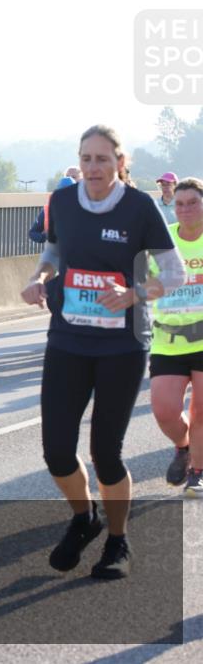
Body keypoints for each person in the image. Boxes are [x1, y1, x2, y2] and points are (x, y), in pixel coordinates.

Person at [21, 125, 185, 579]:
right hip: (68, 338)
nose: (93, 168)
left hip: (122, 344)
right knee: (56, 450)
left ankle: (117, 541)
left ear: (120, 162)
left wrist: (134, 294)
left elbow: (174, 274)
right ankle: (83, 516)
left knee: (105, 453)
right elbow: (54, 250)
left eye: (102, 159)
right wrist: (42, 278)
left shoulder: (139, 207)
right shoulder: (62, 201)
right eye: (86, 158)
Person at [149, 177, 203, 497]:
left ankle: (198, 472)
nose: (184, 209)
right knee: (165, 411)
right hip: (168, 339)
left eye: (192, 202)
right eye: (180, 204)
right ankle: (182, 447)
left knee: (201, 412)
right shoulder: (163, 242)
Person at [29, 176, 77, 244]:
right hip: (54, 250)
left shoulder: (83, 209)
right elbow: (32, 233)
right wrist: (45, 236)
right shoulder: (47, 210)